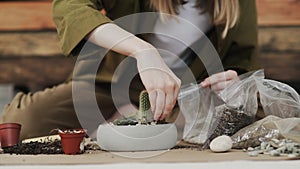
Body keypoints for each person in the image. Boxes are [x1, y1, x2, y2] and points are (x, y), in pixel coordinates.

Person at [0, 0, 258, 140]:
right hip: (109, 81)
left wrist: (232, 77)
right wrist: (143, 52)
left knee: (200, 137)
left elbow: (241, 57)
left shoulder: (237, 4)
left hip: (187, 94)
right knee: (25, 123)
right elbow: (70, 8)